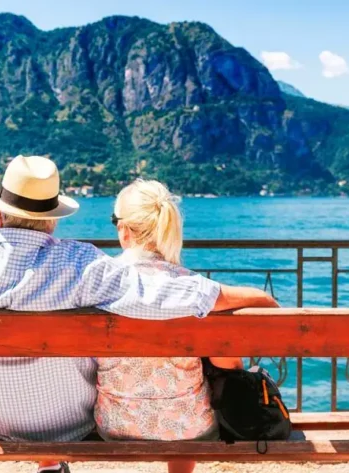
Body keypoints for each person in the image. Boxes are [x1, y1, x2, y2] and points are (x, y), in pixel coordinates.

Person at [0, 156, 278, 473]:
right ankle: (51, 460)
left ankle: (49, 465)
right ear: (53, 220)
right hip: (69, 425)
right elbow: (155, 293)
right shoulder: (79, 263)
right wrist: (242, 295)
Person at [95, 180, 246, 473]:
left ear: (124, 230)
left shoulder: (98, 284)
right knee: (187, 393)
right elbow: (229, 363)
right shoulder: (194, 289)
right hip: (189, 428)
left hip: (114, 424)